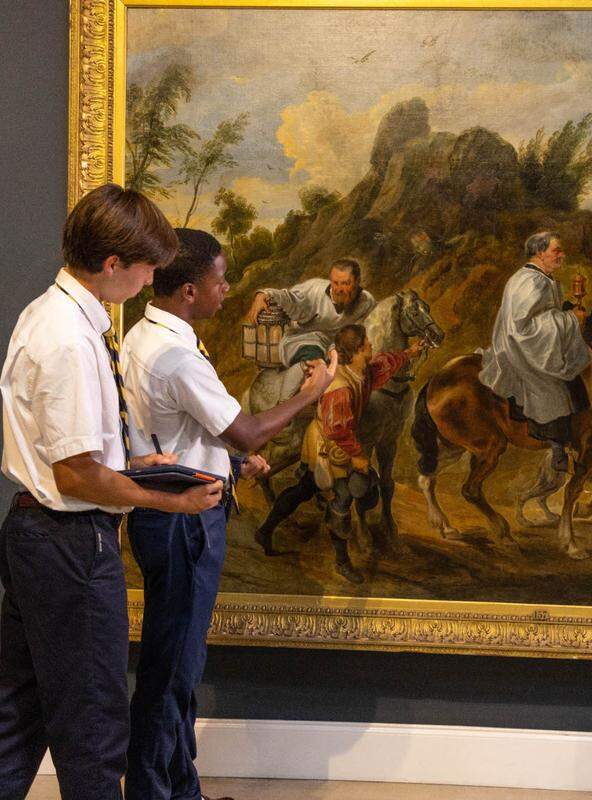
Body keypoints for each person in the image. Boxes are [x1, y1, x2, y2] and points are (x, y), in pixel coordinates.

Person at [0, 184, 225, 800]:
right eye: (145, 270)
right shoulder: (70, 339)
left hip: (38, 536)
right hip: (71, 545)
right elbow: (76, 475)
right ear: (113, 265)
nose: (148, 282)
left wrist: (136, 461)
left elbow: (75, 451)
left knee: (18, 713)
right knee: (97, 726)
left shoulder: (53, 314)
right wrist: (171, 499)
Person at [120, 229, 338, 800]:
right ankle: (152, 794)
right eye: (221, 280)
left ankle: (178, 789)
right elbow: (245, 428)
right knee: (174, 670)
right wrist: (311, 395)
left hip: (174, 511)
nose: (229, 289)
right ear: (190, 290)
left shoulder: (146, 334)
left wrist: (228, 467)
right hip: (183, 522)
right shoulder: (177, 357)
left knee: (176, 667)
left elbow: (179, 434)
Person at [300, 324, 424, 583]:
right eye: (366, 342)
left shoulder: (362, 372)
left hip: (343, 441)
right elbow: (337, 430)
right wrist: (357, 455)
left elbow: (384, 364)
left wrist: (409, 353)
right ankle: (341, 561)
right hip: (330, 444)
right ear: (357, 351)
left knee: (367, 489)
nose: (371, 344)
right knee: (344, 498)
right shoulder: (341, 387)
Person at [478, 231, 591, 472]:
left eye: (561, 250)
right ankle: (558, 450)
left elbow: (544, 312)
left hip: (534, 344)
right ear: (540, 252)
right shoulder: (530, 281)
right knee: (553, 387)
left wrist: (567, 311)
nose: (561, 255)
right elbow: (522, 327)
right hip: (520, 348)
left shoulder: (543, 278)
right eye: (556, 250)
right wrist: (570, 320)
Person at [244, 257, 375, 366]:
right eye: (335, 283)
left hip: (340, 349)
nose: (338, 289)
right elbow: (290, 299)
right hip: (306, 341)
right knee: (317, 368)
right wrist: (264, 294)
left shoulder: (366, 302)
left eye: (345, 283)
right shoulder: (314, 291)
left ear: (357, 282)